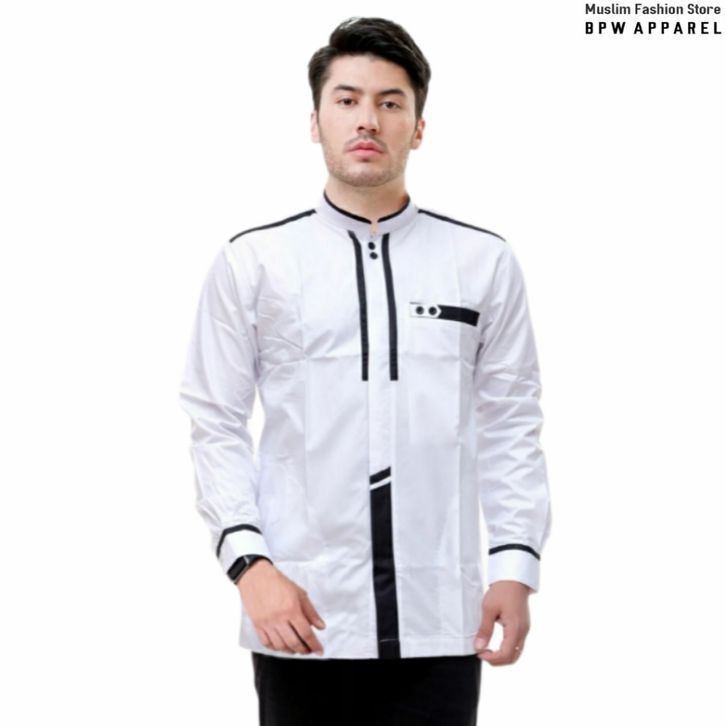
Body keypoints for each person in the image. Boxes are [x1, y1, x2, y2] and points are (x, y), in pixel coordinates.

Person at [178, 15, 552, 726]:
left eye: (390, 102)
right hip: (300, 613)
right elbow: (214, 422)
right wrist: (249, 565)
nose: (367, 119)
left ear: (418, 127)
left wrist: (514, 566)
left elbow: (512, 423)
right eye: (346, 99)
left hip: (442, 615)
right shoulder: (254, 263)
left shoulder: (482, 262)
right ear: (314, 121)